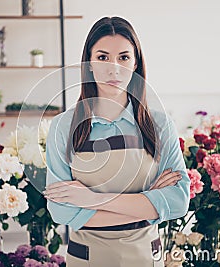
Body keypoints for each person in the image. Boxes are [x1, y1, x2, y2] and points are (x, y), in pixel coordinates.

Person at [43, 16, 190, 267]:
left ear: (135, 64)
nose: (114, 68)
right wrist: (148, 201)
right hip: (87, 259)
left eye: (123, 57)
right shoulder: (64, 126)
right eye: (102, 57)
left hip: (146, 258)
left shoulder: (159, 125)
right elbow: (62, 211)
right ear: (89, 63)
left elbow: (178, 201)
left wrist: (92, 199)